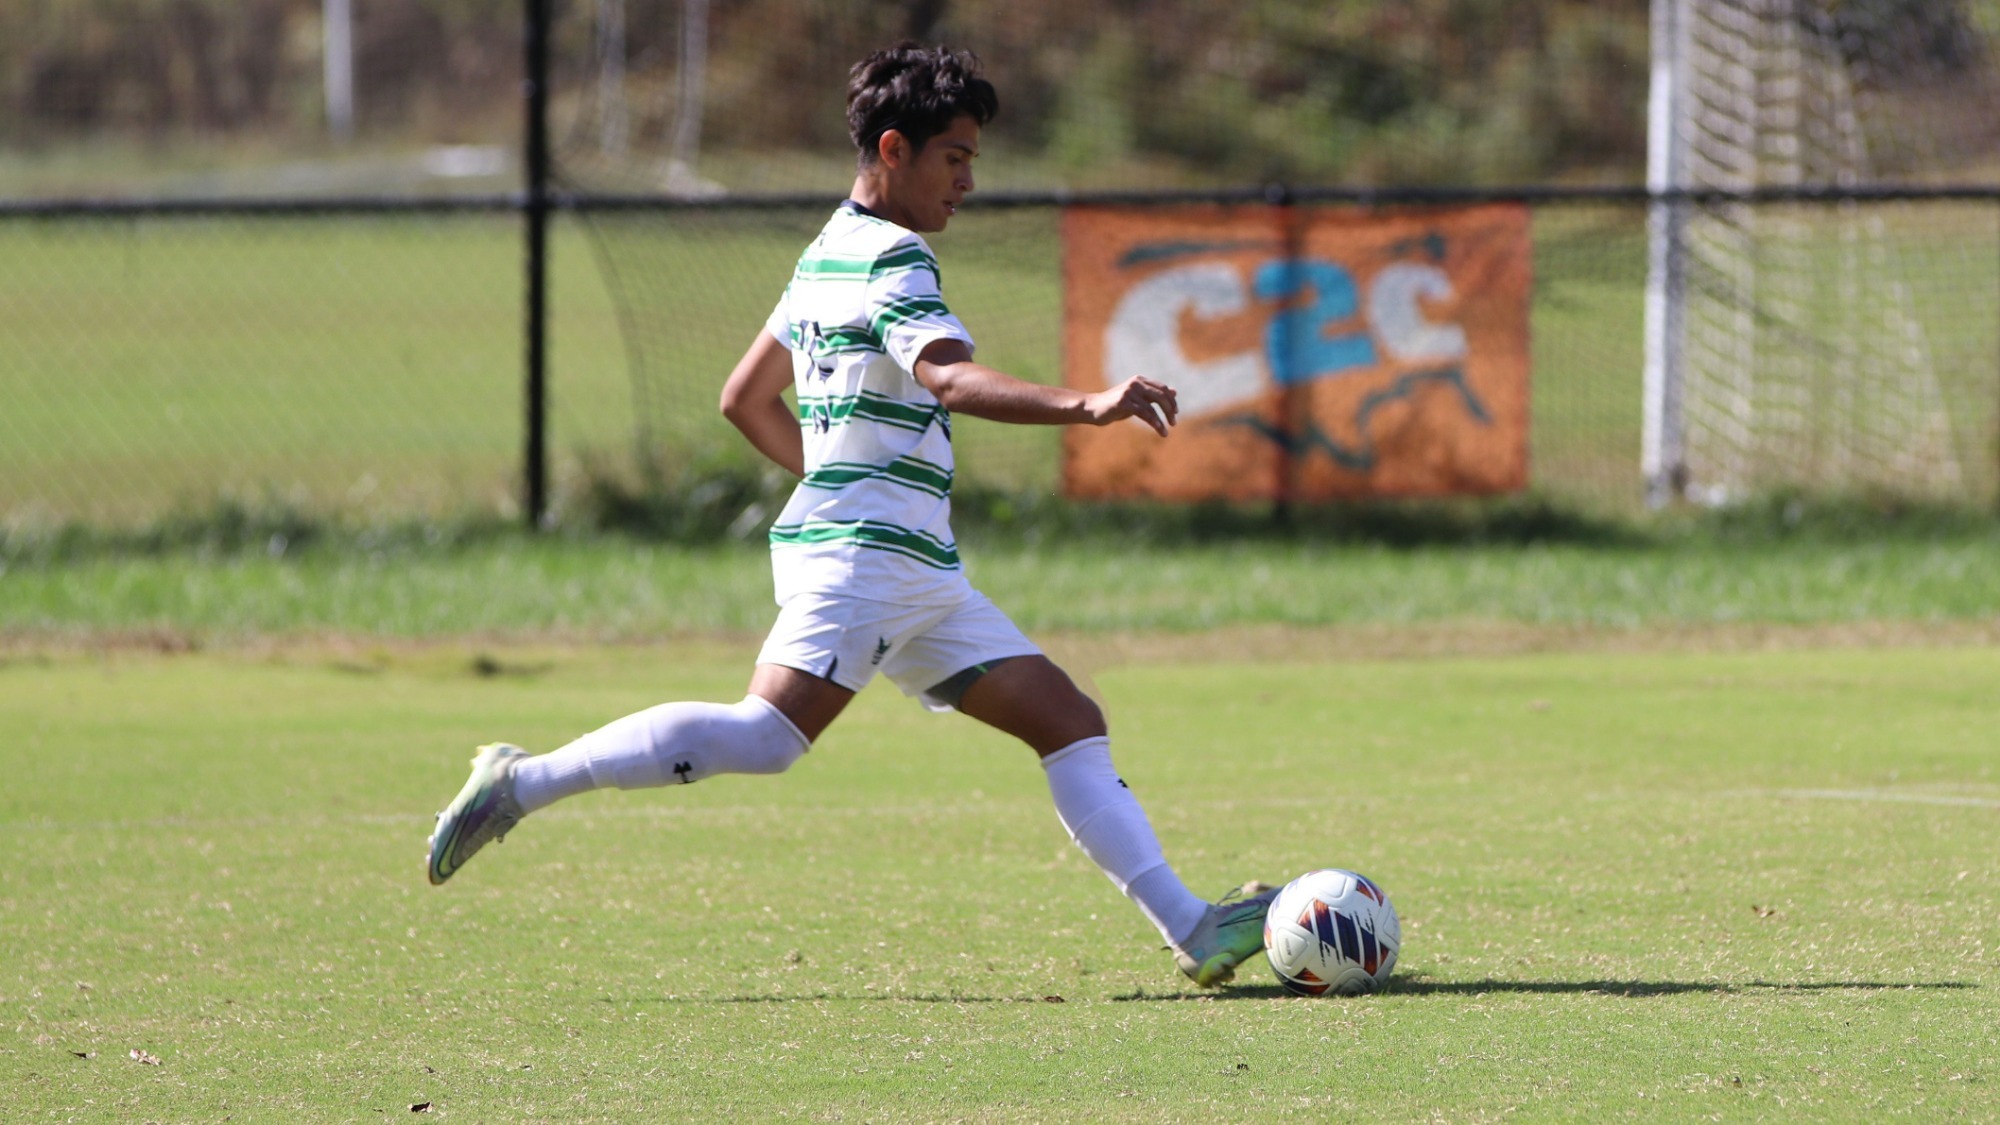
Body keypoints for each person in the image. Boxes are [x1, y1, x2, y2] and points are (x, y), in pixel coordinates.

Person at [425, 43, 1276, 987]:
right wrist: (1086, 405)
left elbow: (743, 398)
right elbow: (945, 378)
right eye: (955, 158)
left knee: (1068, 720)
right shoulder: (895, 258)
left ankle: (1195, 929)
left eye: (974, 161)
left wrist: (828, 477)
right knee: (763, 736)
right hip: (869, 561)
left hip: (910, 567)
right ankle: (521, 781)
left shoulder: (824, 250)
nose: (967, 182)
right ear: (893, 148)